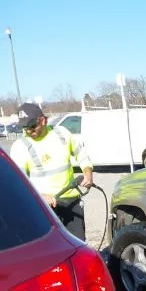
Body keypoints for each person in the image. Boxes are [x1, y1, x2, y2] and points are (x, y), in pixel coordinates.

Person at [10, 103, 94, 241]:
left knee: (77, 245)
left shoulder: (62, 134)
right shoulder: (20, 147)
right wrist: (40, 195)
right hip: (43, 207)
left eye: (32, 126)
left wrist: (88, 172)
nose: (28, 131)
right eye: (25, 128)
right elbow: (19, 184)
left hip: (71, 201)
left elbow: (82, 155)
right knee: (51, 249)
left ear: (43, 120)